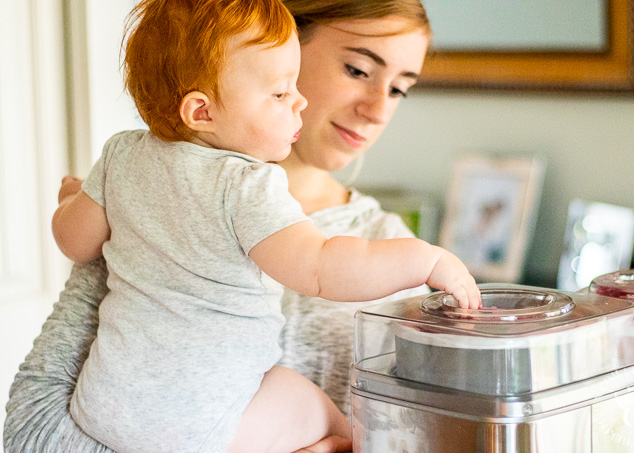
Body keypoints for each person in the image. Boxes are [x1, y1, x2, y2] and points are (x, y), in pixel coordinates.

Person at [3, 0, 452, 451]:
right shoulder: (224, 191)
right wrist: (425, 258)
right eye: (357, 69)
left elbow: (420, 440)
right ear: (288, 42)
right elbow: (34, 436)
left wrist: (76, 202)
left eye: (399, 90)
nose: (378, 110)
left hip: (104, 413)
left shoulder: (125, 167)